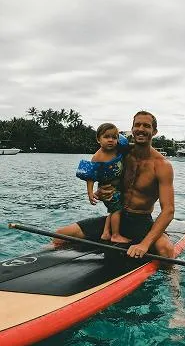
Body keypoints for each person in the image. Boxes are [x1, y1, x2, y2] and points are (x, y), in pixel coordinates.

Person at [55, 110, 175, 259]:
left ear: (154, 131)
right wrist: (99, 192)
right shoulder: (121, 153)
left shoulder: (162, 165)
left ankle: (174, 279)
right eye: (137, 125)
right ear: (132, 130)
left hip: (141, 222)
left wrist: (144, 244)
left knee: (166, 250)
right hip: (116, 218)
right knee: (60, 235)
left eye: (146, 126)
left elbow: (168, 210)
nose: (141, 129)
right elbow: (102, 170)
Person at [75, 122, 131, 244]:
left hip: (117, 186)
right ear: (98, 139)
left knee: (113, 209)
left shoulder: (118, 148)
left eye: (114, 137)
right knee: (117, 210)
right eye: (106, 137)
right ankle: (115, 235)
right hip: (107, 188)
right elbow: (90, 177)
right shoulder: (98, 157)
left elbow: (129, 147)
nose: (110, 140)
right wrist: (90, 193)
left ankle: (106, 233)